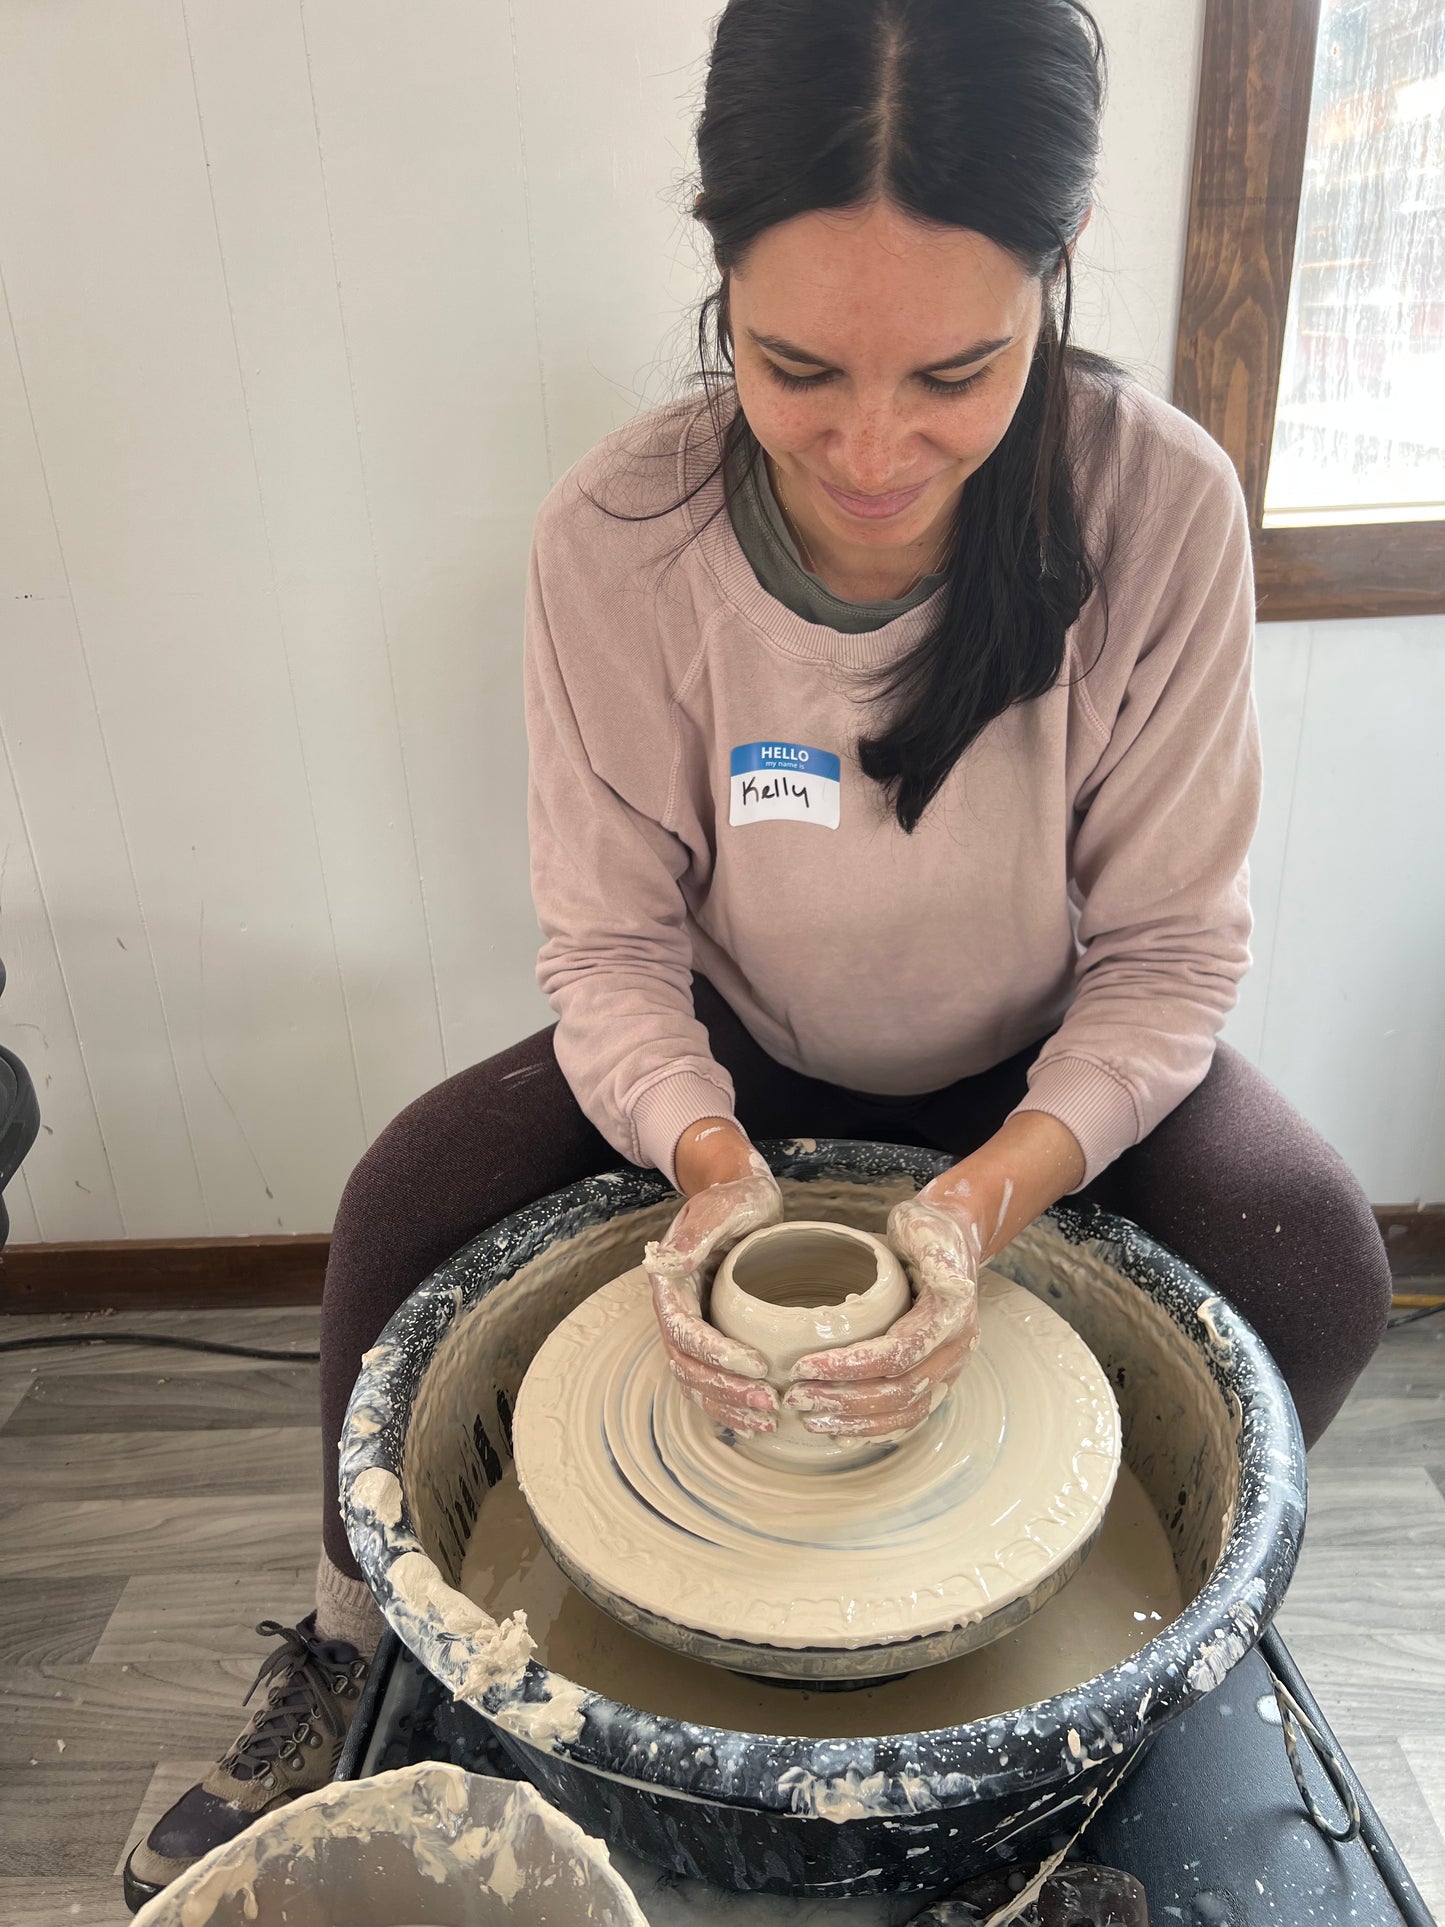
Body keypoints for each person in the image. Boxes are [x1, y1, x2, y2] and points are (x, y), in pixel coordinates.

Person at [125, 0, 1393, 1905]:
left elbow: (1162, 961)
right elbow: (611, 947)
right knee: (403, 1204)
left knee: (1311, 1254)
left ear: (1051, 273)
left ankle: (1127, 1719)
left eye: (956, 372)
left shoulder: (1156, 508)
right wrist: (710, 1167)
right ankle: (352, 1652)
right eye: (796, 367)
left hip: (1038, 1069)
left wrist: (980, 1205)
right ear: (717, 273)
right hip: (735, 1058)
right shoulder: (618, 536)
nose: (871, 451)